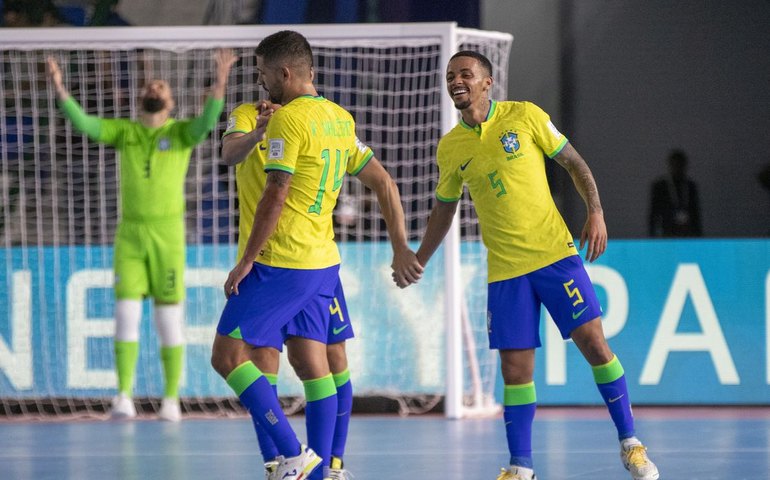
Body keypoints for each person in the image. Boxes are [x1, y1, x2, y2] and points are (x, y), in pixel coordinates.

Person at [396, 51, 659, 480]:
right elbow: (444, 210)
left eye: (465, 74)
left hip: (555, 256)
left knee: (594, 344)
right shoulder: (451, 147)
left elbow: (572, 161)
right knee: (514, 371)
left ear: (487, 82)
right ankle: (521, 468)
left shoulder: (525, 116)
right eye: (450, 76)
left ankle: (631, 443)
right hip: (505, 271)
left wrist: (595, 211)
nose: (456, 81)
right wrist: (419, 259)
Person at [210, 30, 421, 480]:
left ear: (284, 72)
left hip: (280, 259)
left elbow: (276, 192)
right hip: (321, 263)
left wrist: (247, 258)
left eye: (264, 72)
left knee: (228, 356)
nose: (260, 80)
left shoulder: (293, 121)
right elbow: (384, 181)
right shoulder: (336, 119)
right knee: (310, 362)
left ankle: (297, 456)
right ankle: (317, 468)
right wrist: (400, 245)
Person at [47, 49, 237, 422]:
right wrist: (59, 87)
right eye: (151, 84)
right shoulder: (126, 132)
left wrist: (221, 80)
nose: (155, 87)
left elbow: (208, 120)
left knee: (168, 318)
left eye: (161, 86)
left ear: (170, 101)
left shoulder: (181, 134)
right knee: (125, 314)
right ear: (142, 98)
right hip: (130, 234)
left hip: (168, 235)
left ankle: (170, 400)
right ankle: (123, 396)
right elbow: (86, 124)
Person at [221, 99, 376, 479]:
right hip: (278, 258)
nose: (263, 79)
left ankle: (325, 465)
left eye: (266, 70)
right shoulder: (248, 113)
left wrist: (403, 245)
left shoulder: (329, 119)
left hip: (305, 260)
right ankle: (281, 464)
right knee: (270, 360)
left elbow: (380, 178)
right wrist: (259, 130)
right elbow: (229, 153)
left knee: (324, 359)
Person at [648, 149, 702, 237]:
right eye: (675, 165)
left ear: (685, 166)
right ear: (670, 165)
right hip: (667, 232)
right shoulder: (660, 187)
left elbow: (696, 214)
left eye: (680, 165)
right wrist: (652, 236)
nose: (678, 168)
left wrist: (698, 236)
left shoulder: (690, 186)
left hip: (688, 233)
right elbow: (654, 213)